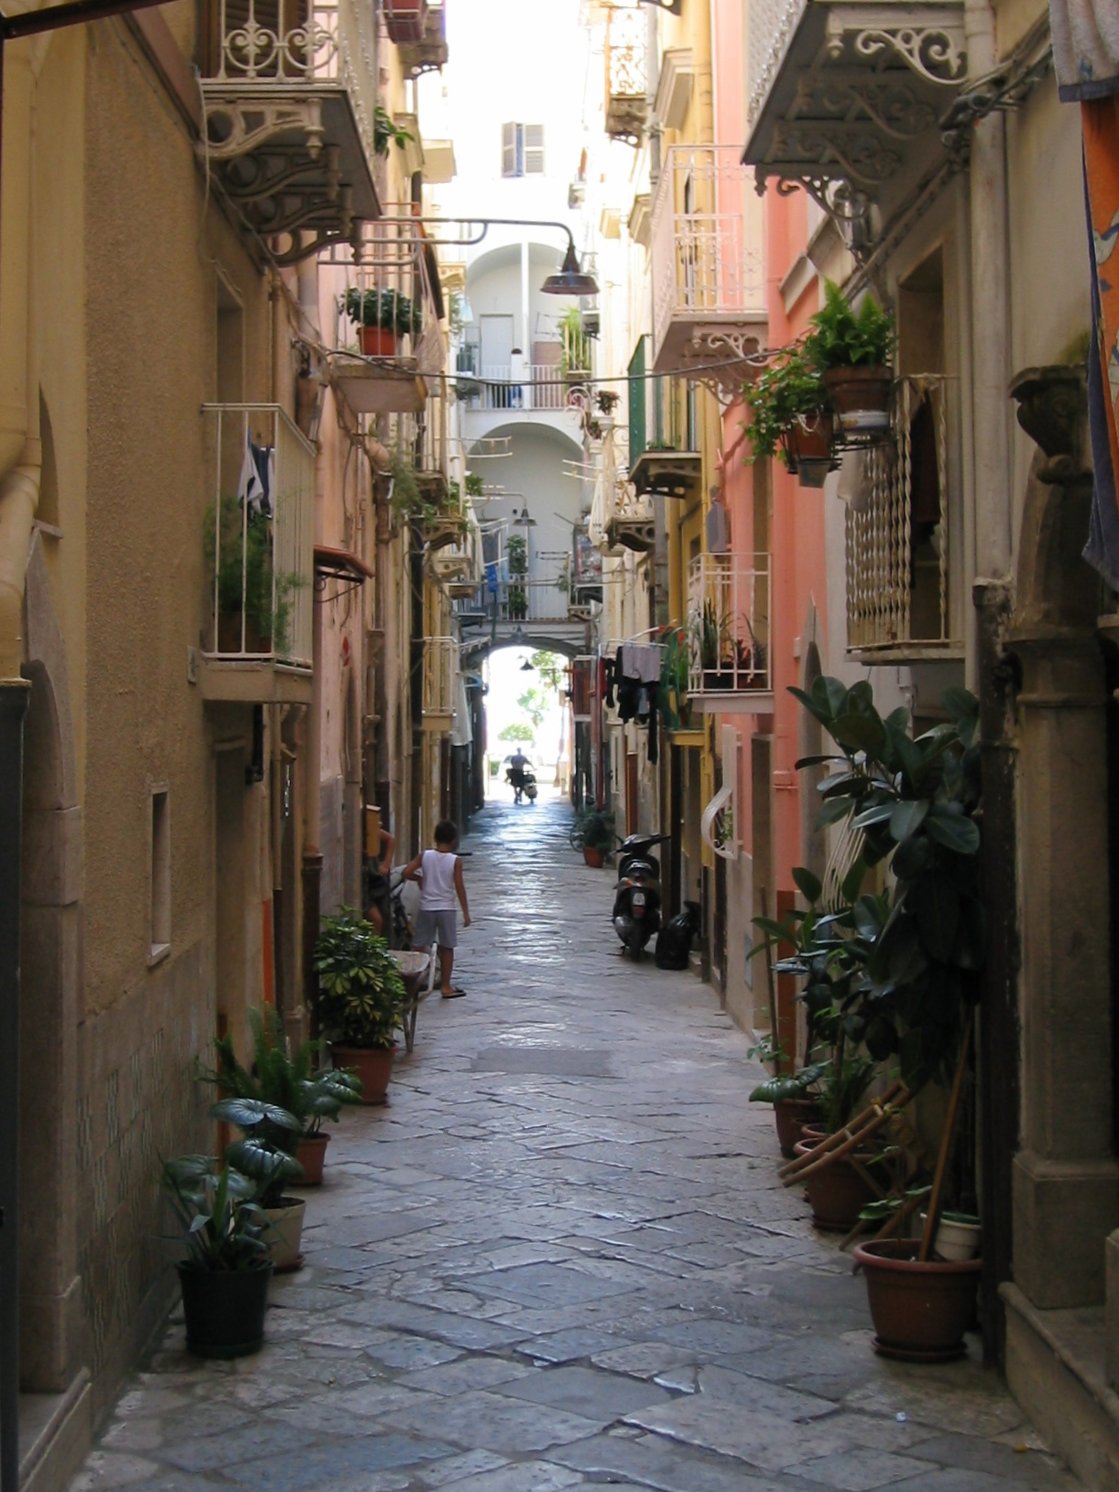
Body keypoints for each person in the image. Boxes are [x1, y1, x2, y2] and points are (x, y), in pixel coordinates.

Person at [402, 820, 471, 998]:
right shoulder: (455, 860)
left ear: (435, 837)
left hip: (427, 907)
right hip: (446, 908)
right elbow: (459, 887)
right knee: (447, 947)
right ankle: (446, 987)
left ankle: (414, 982)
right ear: (454, 840)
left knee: (419, 945)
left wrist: (419, 879)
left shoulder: (425, 856)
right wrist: (466, 912)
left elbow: (407, 872)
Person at [362, 824, 395, 938]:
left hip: (374, 879)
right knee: (376, 919)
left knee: (379, 919)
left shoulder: (370, 828)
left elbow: (390, 839)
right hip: (365, 881)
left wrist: (386, 864)